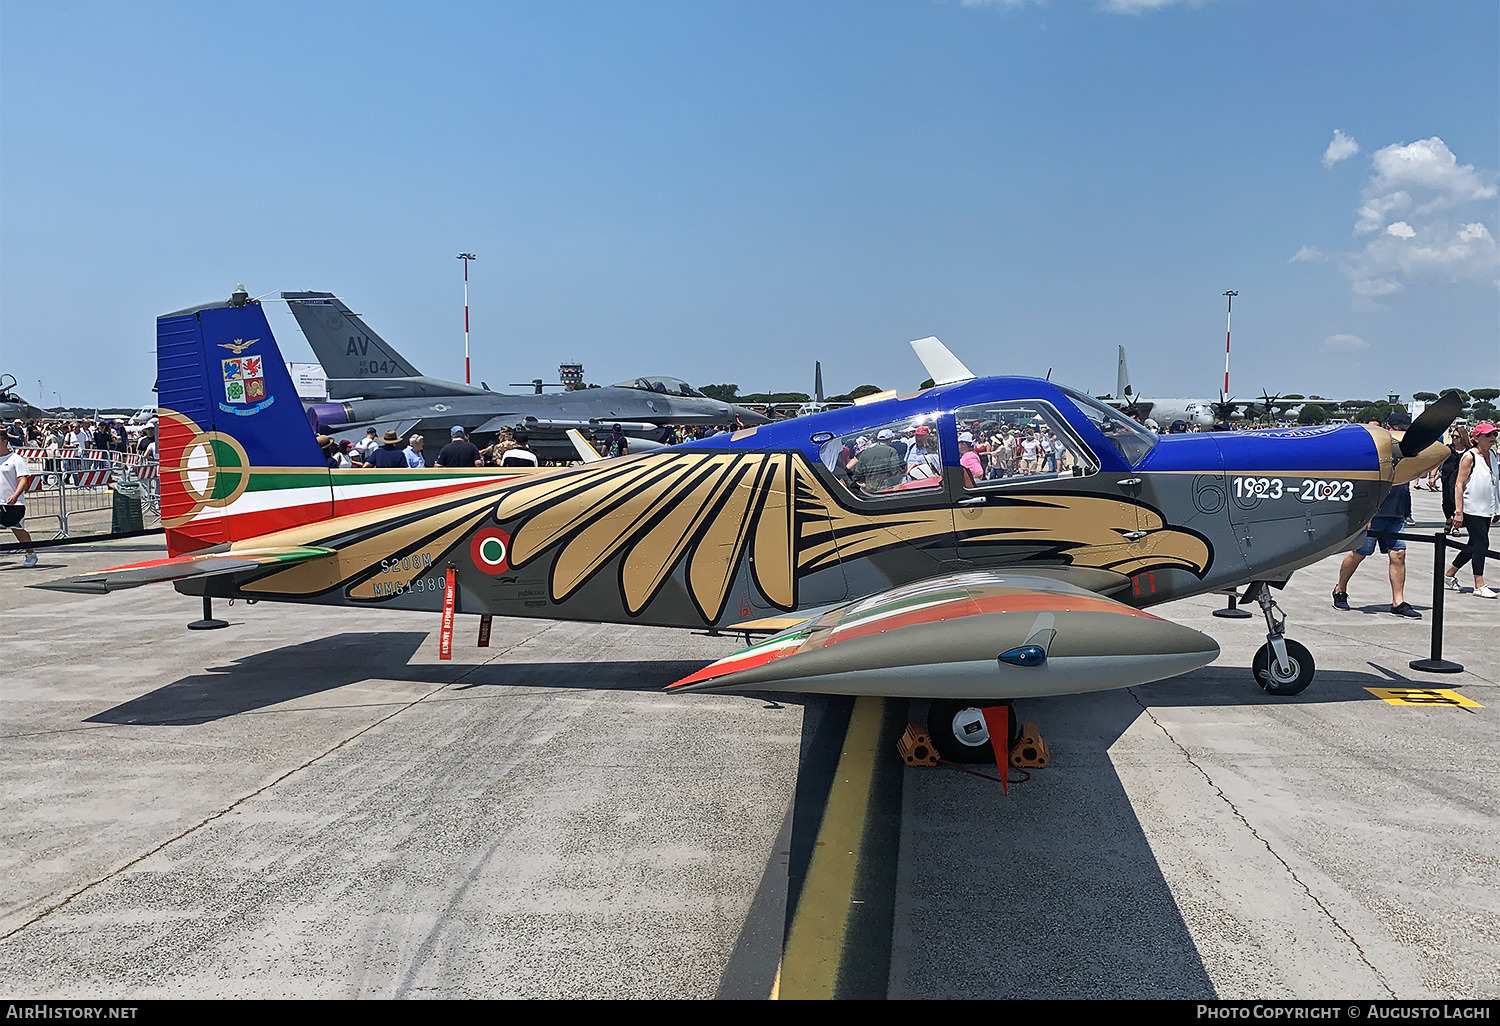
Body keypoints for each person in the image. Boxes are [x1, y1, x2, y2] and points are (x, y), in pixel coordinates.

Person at [1333, 413, 1420, 618]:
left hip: (1396, 511)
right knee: (1359, 553)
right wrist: (1365, 515)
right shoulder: (1373, 451)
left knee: (1398, 554)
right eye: (1399, 428)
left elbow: (1420, 474)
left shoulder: (1406, 452)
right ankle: (1340, 589)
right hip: (1374, 510)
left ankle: (1397, 601)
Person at [1442, 422, 1499, 599]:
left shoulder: (1492, 455)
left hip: (1487, 507)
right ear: (1476, 438)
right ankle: (1479, 583)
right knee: (1482, 543)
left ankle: (1449, 574)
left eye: (1494, 435)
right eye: (1488, 435)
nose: (1493, 438)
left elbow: (1494, 483)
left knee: (1474, 543)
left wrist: (1497, 507)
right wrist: (1459, 512)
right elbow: (1459, 485)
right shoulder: (1469, 457)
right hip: (1471, 507)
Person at [0, 432, 38, 567]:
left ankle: (30, 554)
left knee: (18, 530)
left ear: (4, 442)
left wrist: (15, 495)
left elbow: (23, 480)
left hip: (13, 503)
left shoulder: (15, 459)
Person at [1439, 425, 1473, 534]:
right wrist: (1432, 476)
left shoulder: (1469, 452)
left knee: (1458, 501)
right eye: (1452, 436)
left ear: (1463, 437)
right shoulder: (1447, 449)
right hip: (1447, 479)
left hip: (1462, 480)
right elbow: (1439, 462)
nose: (1454, 439)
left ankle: (1456, 526)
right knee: (1446, 502)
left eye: (1456, 437)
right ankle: (1449, 518)